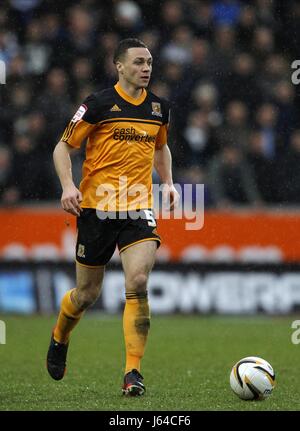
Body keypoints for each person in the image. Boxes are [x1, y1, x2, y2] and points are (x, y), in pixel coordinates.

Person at [46, 38, 180, 396]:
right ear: (119, 66)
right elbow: (63, 146)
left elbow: (161, 146)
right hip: (96, 208)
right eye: (138, 62)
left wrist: (167, 183)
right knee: (87, 294)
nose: (146, 68)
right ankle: (60, 336)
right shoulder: (98, 104)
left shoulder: (158, 108)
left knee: (137, 281)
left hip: (138, 207)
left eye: (149, 61)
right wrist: (67, 186)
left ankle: (132, 373)